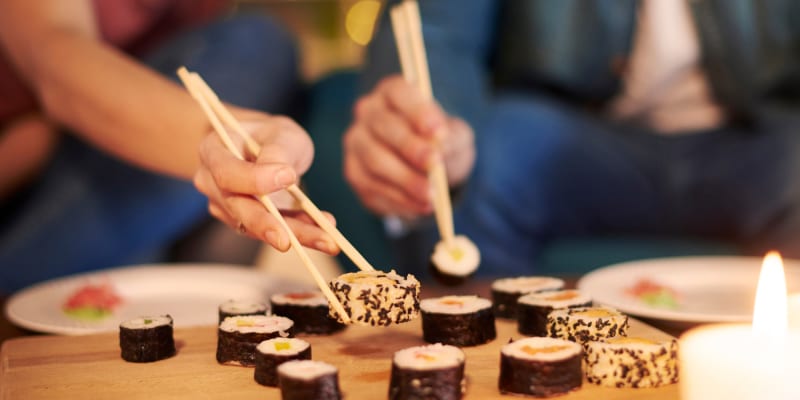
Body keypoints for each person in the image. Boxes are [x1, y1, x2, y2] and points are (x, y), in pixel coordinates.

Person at [343, 0, 800, 278]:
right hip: (572, 140)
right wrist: (430, 133)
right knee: (490, 156)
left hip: (763, 144)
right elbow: (436, 32)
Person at [0, 0, 337, 294]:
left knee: (283, 77)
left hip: (110, 169)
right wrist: (215, 144)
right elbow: (54, 61)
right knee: (257, 46)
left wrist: (240, 147)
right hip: (27, 184)